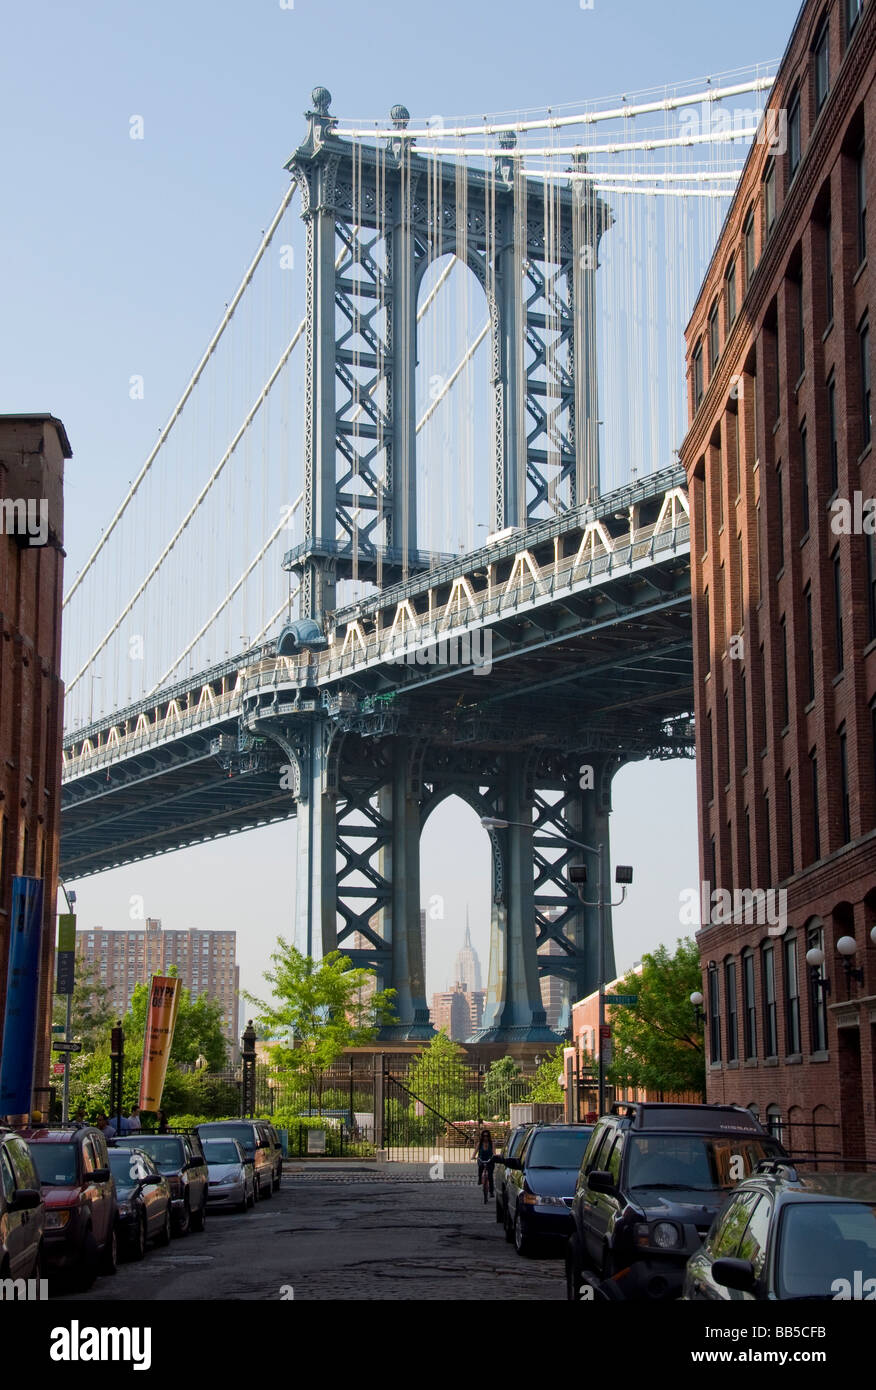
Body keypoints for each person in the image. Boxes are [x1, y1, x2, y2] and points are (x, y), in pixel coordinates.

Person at [475, 1128, 495, 1203]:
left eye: (487, 1136)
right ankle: (480, 1179)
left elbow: (494, 1152)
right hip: (482, 1160)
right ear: (482, 1136)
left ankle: (491, 1191)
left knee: (490, 1176)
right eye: (484, 1136)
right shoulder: (479, 1144)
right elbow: (475, 1151)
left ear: (489, 1136)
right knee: (480, 1167)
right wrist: (473, 1156)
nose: (485, 1137)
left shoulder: (491, 1143)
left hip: (490, 1161)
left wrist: (494, 1157)